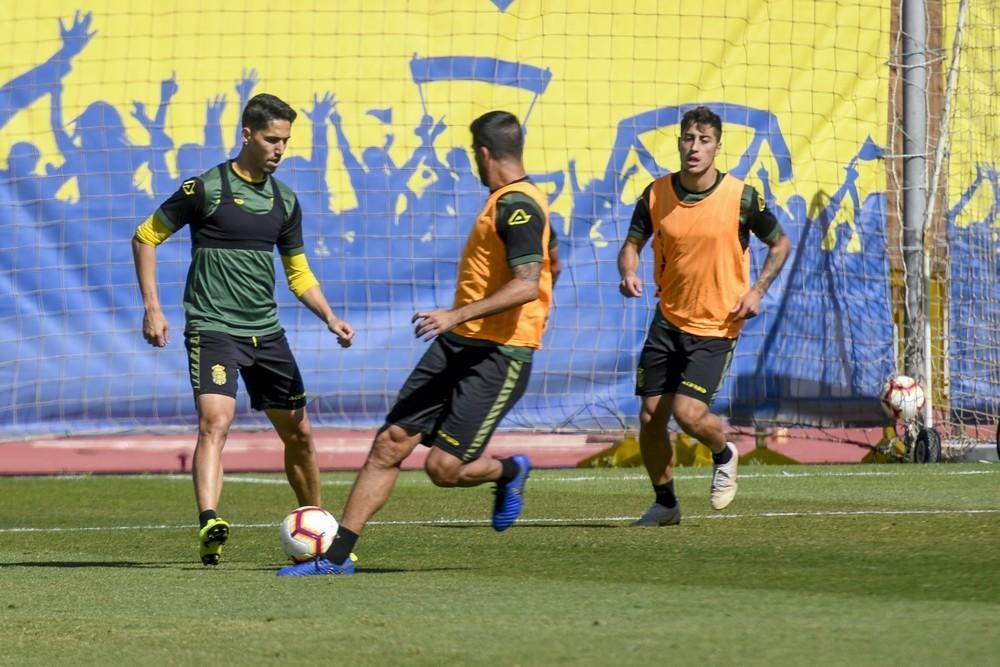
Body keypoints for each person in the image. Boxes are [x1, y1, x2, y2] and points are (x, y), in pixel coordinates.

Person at [278, 110, 555, 576]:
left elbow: (528, 284)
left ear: (483, 154)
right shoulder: (508, 202)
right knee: (390, 442)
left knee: (443, 469)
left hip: (499, 354)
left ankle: (509, 471)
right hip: (459, 344)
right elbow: (550, 263)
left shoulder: (518, 205)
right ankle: (336, 559)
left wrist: (456, 314)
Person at [131, 93, 355, 565]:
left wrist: (329, 316)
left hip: (266, 334)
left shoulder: (285, 201)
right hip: (213, 328)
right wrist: (153, 308)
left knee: (299, 436)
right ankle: (209, 520)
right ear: (247, 135)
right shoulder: (205, 189)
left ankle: (318, 527)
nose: (279, 148)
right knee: (215, 423)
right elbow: (146, 236)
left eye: (286, 141)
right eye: (272, 139)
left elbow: (298, 273)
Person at [617, 105, 790, 526]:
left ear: (717, 146)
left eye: (704, 140)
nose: (695, 148)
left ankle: (724, 451)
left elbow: (780, 244)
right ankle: (665, 504)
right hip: (667, 320)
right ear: (679, 142)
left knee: (688, 413)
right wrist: (627, 270)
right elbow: (631, 244)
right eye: (688, 139)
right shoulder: (656, 193)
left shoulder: (742, 196)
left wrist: (756, 291)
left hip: (716, 326)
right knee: (649, 416)